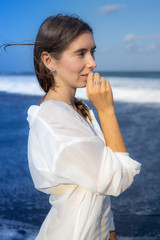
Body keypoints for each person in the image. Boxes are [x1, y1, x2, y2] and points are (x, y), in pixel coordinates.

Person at [5, 14, 141, 240]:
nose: (93, 62)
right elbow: (119, 178)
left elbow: (95, 189)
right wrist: (107, 111)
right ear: (49, 61)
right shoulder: (55, 118)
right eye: (81, 53)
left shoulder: (74, 108)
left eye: (92, 51)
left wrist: (110, 231)